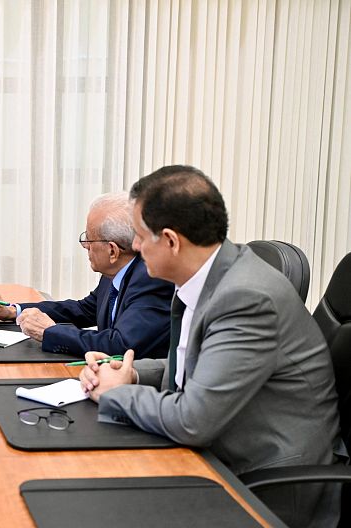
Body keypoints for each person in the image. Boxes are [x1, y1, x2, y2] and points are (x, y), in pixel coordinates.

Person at [79, 165, 341, 527]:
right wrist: (131, 373)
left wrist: (115, 394)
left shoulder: (245, 297)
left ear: (170, 241)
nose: (134, 247)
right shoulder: (206, 278)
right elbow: (195, 365)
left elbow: (192, 420)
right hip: (217, 450)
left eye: (139, 236)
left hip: (266, 483)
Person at [0, 192, 173, 359]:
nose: (85, 245)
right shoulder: (116, 270)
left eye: (89, 239)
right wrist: (14, 311)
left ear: (112, 251)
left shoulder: (151, 280)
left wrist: (49, 332)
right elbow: (84, 309)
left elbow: (120, 345)